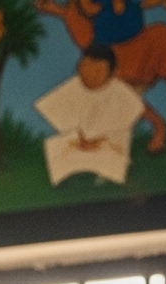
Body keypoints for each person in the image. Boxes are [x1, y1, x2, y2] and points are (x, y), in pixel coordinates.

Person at [36, 44, 148, 186]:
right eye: (86, 67)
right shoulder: (69, 90)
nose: (90, 74)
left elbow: (123, 130)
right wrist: (75, 138)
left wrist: (101, 140)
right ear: (79, 67)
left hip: (108, 150)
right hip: (73, 148)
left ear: (112, 73)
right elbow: (55, 122)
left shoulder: (124, 96)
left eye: (98, 70)